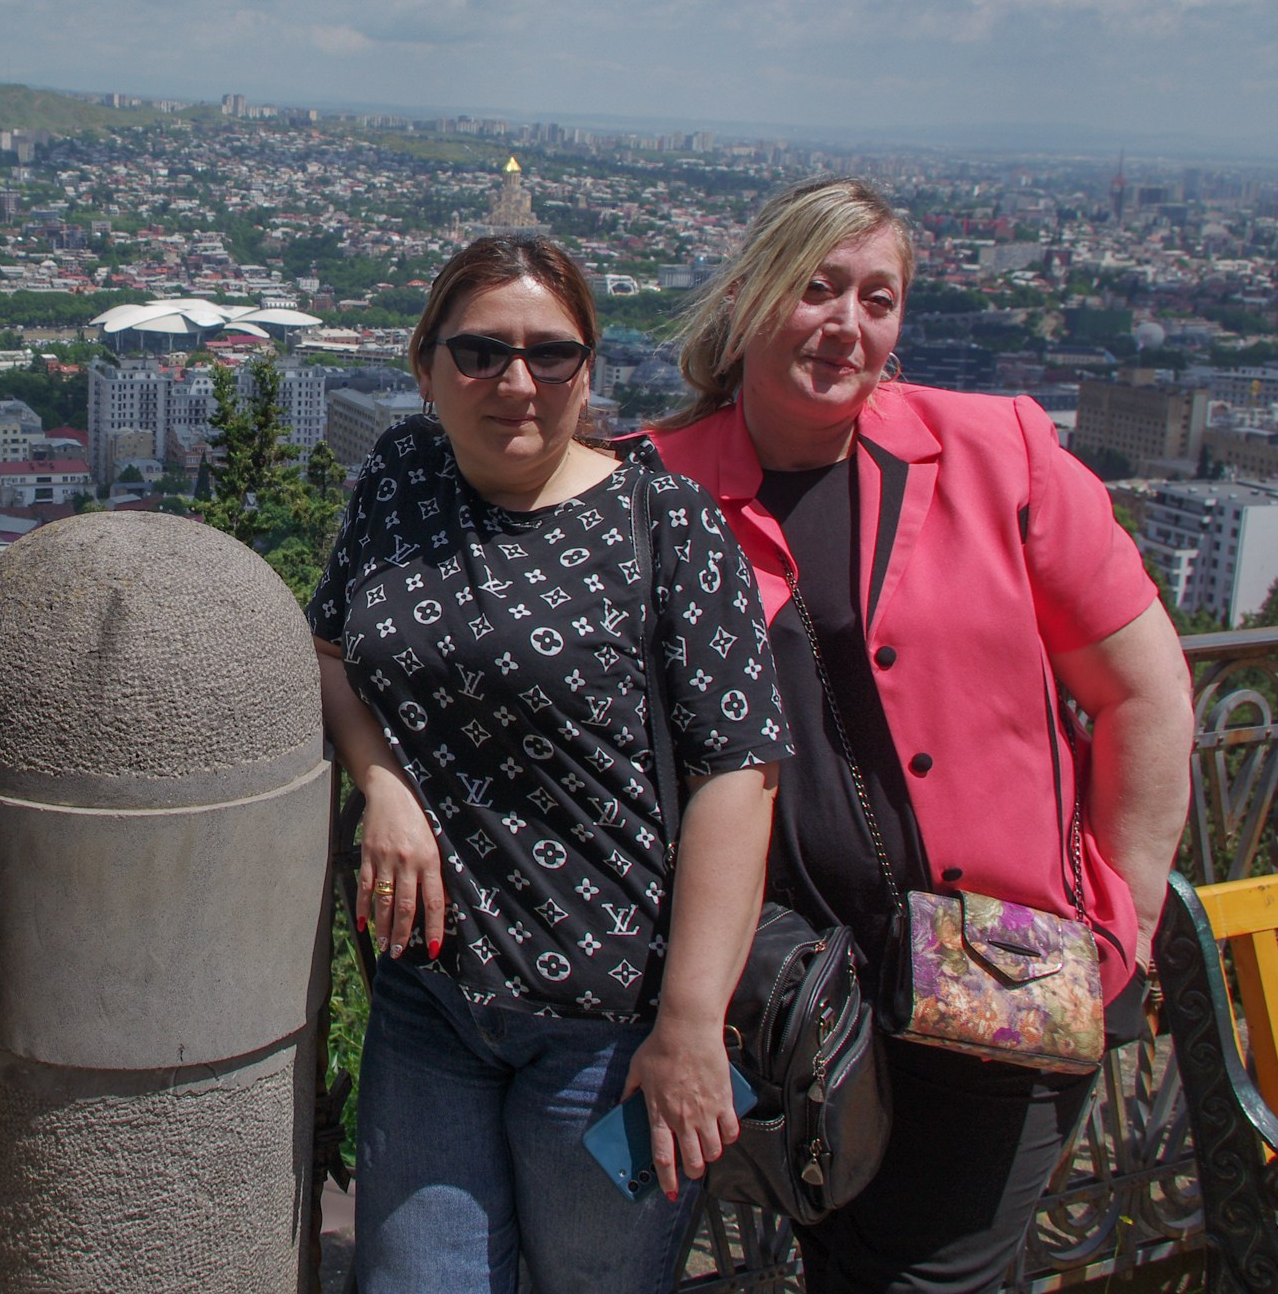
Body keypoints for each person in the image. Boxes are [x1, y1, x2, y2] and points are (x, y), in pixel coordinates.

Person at [650, 177, 1196, 1294]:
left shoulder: (1000, 453)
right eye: (816, 288)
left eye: (878, 298)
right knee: (842, 1251)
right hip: (788, 988)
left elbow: (1145, 691)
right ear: (748, 295)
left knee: (925, 1274)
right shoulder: (654, 487)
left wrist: (1124, 924)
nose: (846, 324)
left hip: (1003, 975)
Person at [311, 235, 791, 1294]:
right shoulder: (403, 474)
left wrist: (689, 1026)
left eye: (551, 353)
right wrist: (383, 784)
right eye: (480, 352)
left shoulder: (667, 522)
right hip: (429, 998)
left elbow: (738, 775)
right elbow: (331, 652)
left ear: (588, 369)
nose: (516, 382)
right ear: (426, 365)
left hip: (611, 1029)